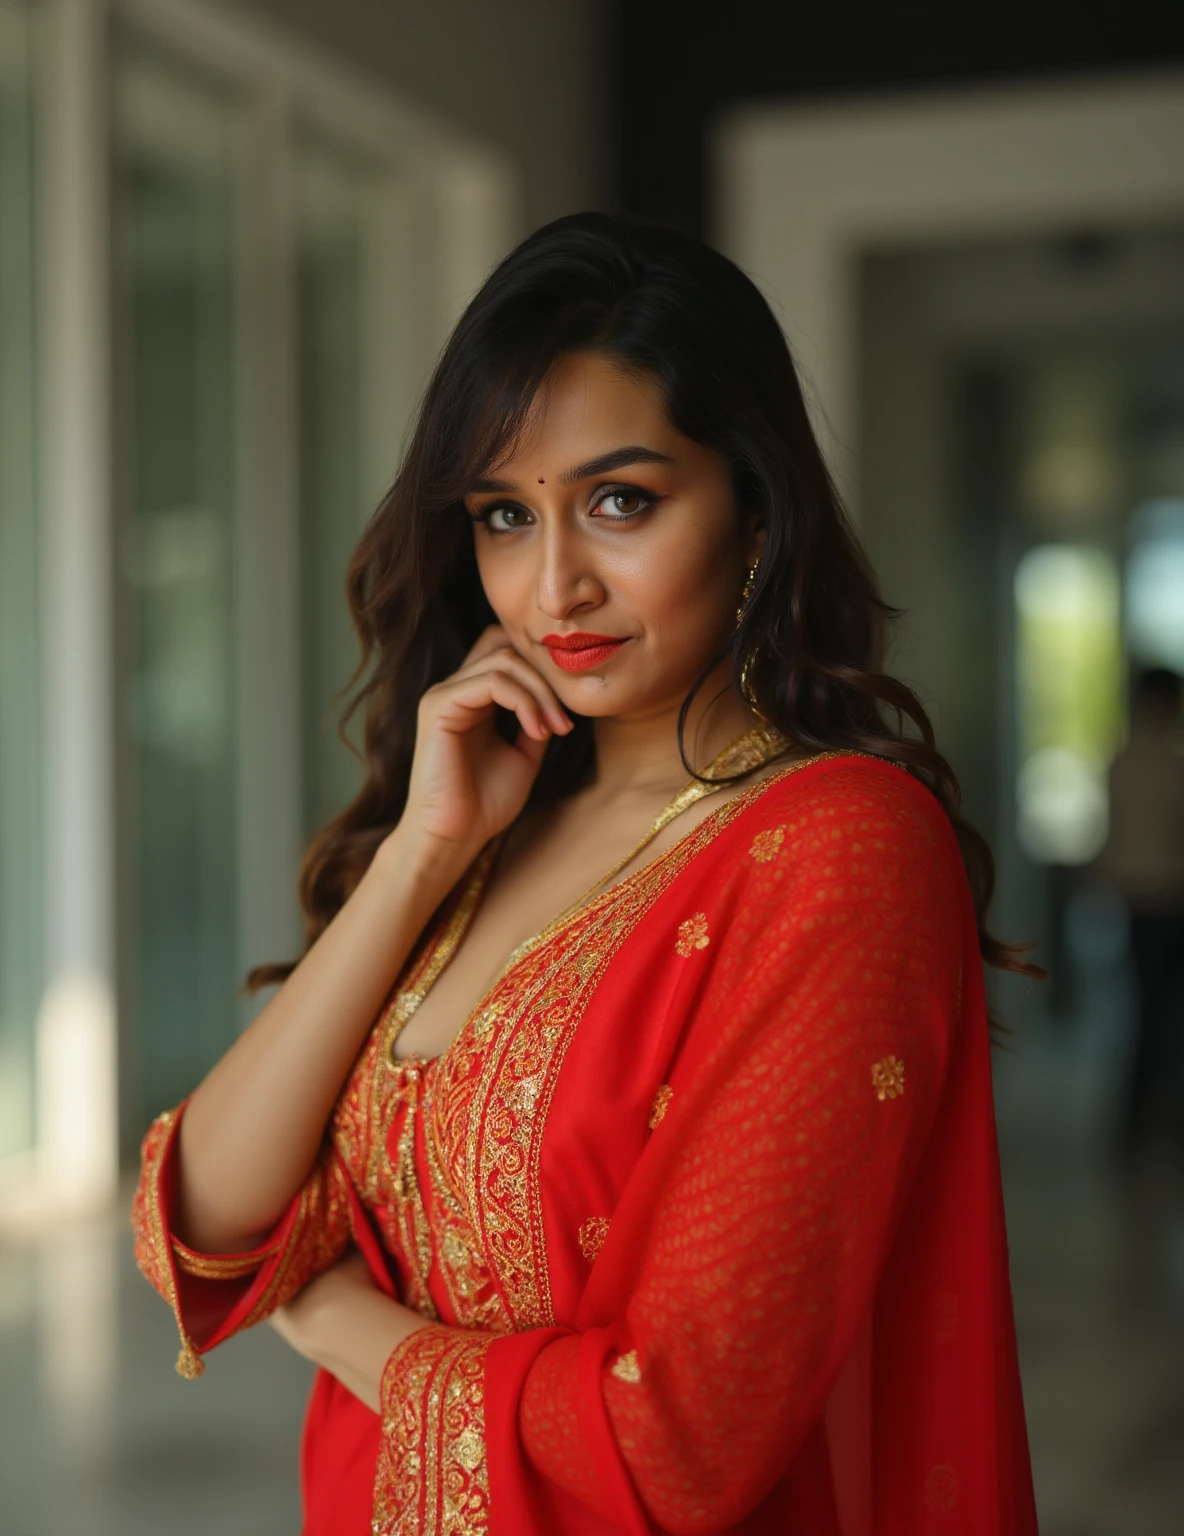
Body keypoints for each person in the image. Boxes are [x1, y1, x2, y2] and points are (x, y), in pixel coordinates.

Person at [132, 212, 1039, 1534]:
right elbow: (197, 1220)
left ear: (756, 509)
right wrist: (418, 859)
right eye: (506, 514)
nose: (554, 585)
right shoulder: (490, 819)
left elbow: (679, 1436)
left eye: (622, 501)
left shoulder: (835, 850)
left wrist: (331, 1316)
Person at [1098, 666, 1184, 1154]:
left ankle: (1135, 1123)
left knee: (1147, 1014)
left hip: (1140, 902)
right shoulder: (1169, 766)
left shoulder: (1122, 763)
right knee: (1161, 1017)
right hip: (1167, 901)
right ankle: (1155, 1119)